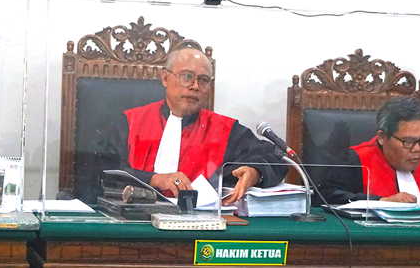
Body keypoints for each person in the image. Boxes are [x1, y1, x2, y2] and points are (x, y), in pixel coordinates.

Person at [96, 48, 287, 205]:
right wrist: (156, 179)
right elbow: (102, 169)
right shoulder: (131, 122)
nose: (195, 86)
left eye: (203, 80)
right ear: (165, 78)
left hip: (200, 228)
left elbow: (274, 157)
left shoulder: (224, 129)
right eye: (187, 77)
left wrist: (255, 172)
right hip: (133, 220)